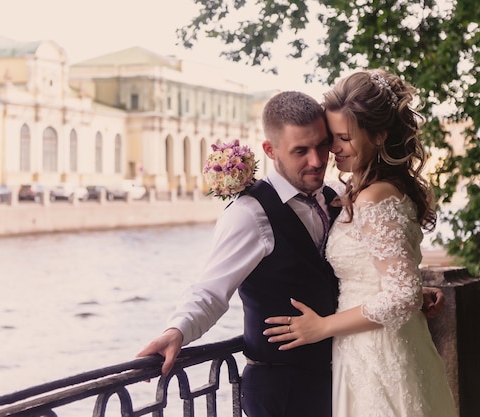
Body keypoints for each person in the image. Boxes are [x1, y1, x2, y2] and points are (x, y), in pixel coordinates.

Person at [136, 90, 444, 417]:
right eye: (301, 150)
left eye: (322, 145)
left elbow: (352, 270)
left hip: (342, 378)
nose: (317, 160)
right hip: (281, 390)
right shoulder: (248, 213)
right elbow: (211, 290)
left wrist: (399, 292)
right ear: (270, 150)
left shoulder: (336, 197)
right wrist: (177, 330)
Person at [264, 70, 457, 417]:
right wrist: (415, 292)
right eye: (330, 138)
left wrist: (322, 326)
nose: (331, 150)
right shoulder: (378, 189)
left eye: (343, 138)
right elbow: (395, 278)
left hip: (378, 351)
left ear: (379, 136)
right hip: (376, 345)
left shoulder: (373, 198)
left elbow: (401, 295)